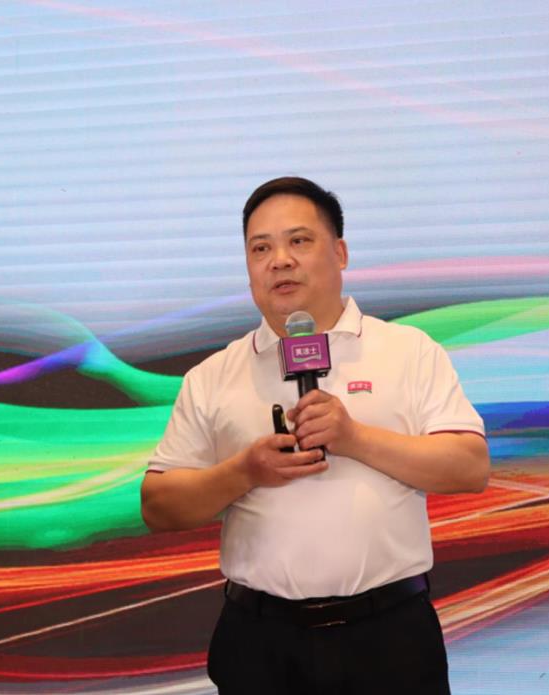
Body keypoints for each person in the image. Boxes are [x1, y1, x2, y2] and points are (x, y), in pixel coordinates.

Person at [141, 176, 489, 694]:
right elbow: (158, 505)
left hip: (389, 638)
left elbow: (470, 467)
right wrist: (244, 471)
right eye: (261, 248)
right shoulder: (213, 375)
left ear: (340, 253)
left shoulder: (408, 351)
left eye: (299, 241)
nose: (279, 261)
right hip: (261, 643)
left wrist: (354, 438)